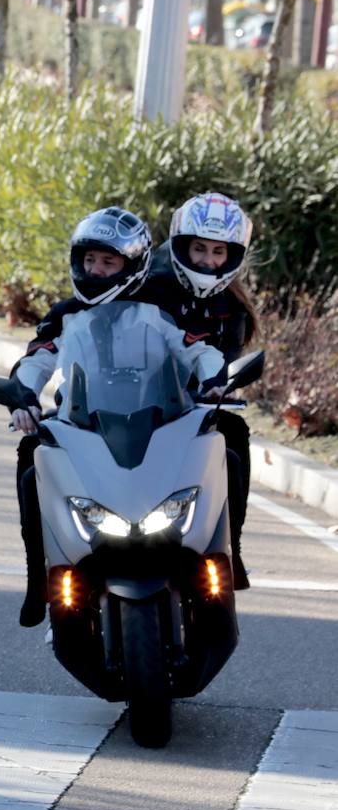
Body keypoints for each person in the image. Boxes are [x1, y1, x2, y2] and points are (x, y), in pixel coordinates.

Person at [7, 207, 228, 627]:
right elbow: (35, 361)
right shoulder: (64, 315)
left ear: (133, 264)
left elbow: (198, 348)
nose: (96, 269)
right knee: (30, 466)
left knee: (221, 450)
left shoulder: (162, 310)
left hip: (158, 421)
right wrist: (23, 399)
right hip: (83, 422)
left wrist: (214, 380)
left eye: (108, 261)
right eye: (89, 259)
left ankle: (214, 564)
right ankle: (39, 581)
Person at [139, 192, 258, 589]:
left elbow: (224, 368)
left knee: (235, 437)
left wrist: (219, 389)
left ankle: (230, 551)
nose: (208, 260)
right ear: (181, 245)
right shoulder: (147, 285)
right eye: (199, 248)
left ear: (233, 255)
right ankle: (54, 575)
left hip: (192, 411)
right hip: (133, 403)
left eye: (218, 251)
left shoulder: (233, 308)